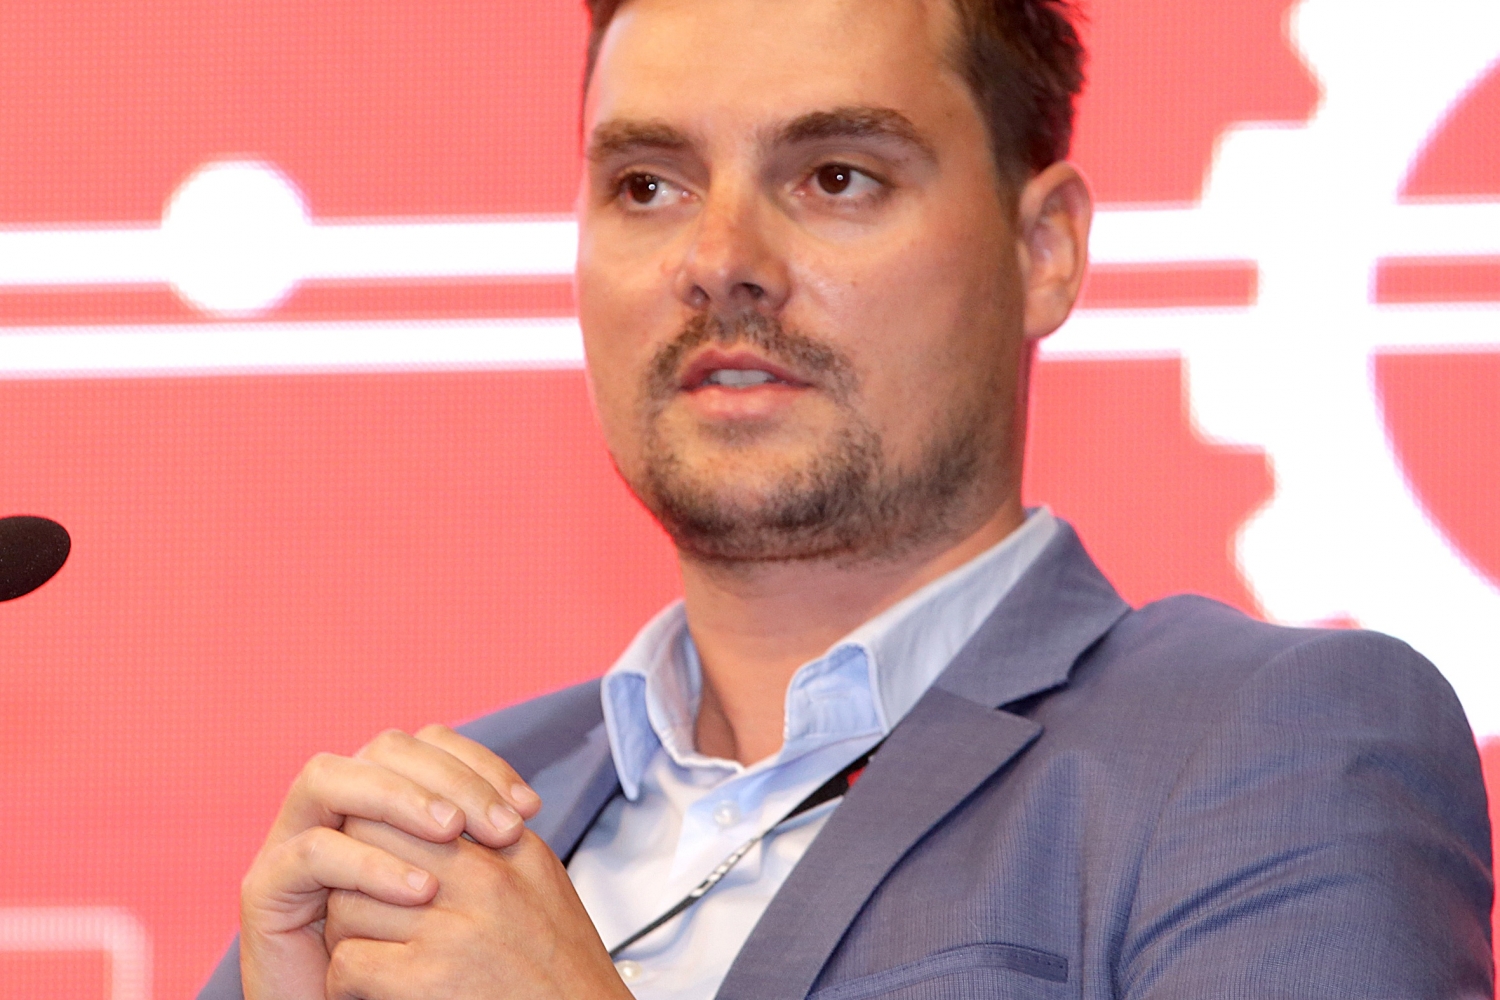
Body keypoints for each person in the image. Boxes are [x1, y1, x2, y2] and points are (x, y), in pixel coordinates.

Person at [200, 0, 1494, 996]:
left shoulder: (1262, 747)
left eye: (836, 177)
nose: (720, 260)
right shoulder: (423, 840)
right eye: (649, 186)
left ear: (1044, 250)